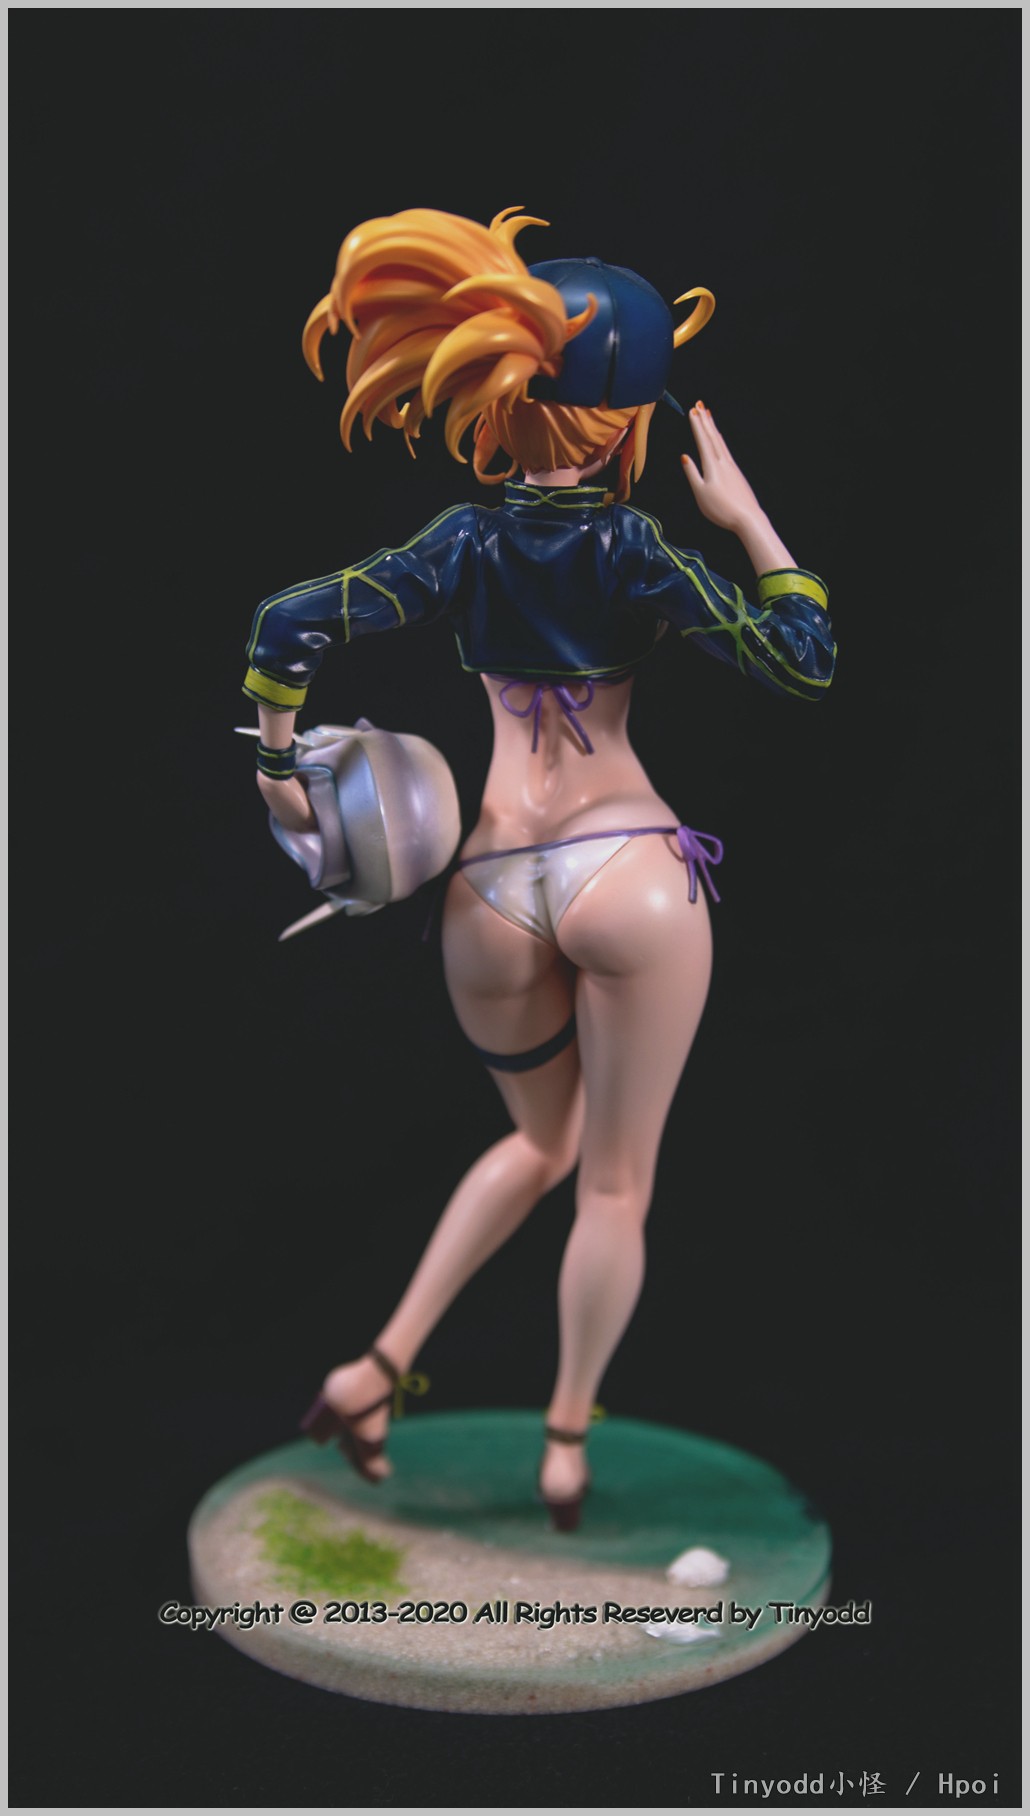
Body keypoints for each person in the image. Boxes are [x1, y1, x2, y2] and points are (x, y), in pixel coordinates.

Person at [244, 206, 835, 1530]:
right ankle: (566, 1444)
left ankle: (373, 1369)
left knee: (534, 1145)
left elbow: (288, 622)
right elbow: (802, 662)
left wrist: (280, 767)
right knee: (612, 1181)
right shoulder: (637, 551)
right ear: (622, 429)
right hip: (628, 869)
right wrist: (751, 523)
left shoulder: (459, 544)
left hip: (490, 888)